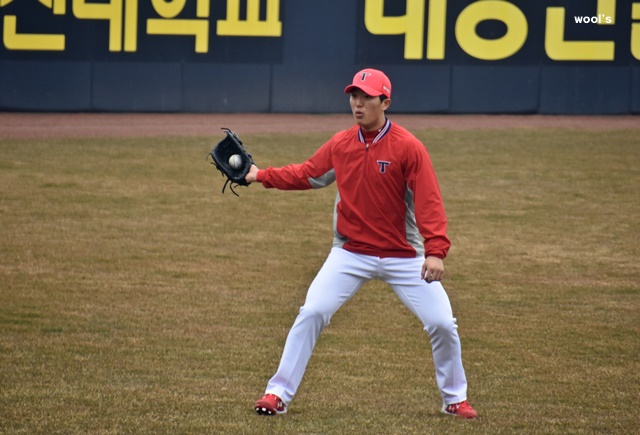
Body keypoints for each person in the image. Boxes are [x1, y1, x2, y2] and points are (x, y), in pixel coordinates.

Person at [245, 68, 478, 419]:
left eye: (367, 97)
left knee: (443, 324)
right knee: (312, 312)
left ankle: (454, 399)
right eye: (354, 95)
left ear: (385, 102)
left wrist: (435, 251)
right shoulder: (341, 144)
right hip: (350, 253)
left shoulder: (408, 147)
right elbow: (307, 174)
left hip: (404, 256)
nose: (358, 103)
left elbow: (428, 200)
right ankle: (276, 394)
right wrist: (259, 175)